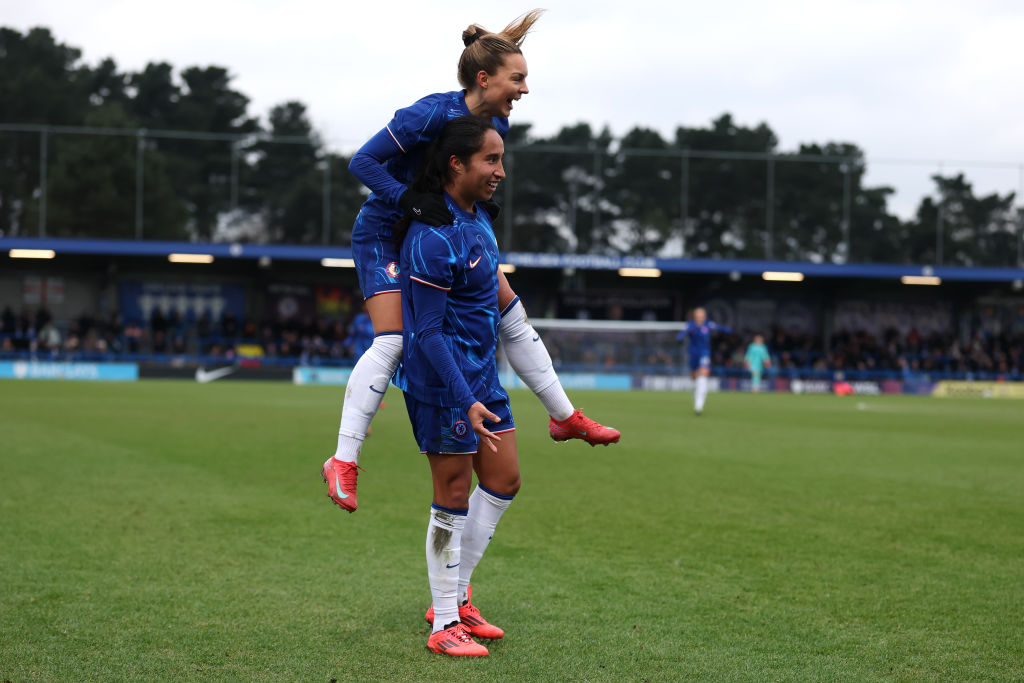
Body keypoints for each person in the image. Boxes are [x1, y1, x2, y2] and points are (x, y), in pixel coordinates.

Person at [322, 10, 619, 514]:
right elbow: (362, 162)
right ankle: (343, 459)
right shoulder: (429, 114)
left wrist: (473, 212)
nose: (524, 90)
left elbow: (469, 174)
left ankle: (564, 416)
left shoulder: (496, 122)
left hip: (443, 229)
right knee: (394, 340)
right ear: (485, 78)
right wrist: (409, 201)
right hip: (385, 232)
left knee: (510, 310)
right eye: (517, 79)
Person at [394, 116, 518, 656]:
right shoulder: (429, 238)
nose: (500, 171)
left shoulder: (480, 221)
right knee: (453, 495)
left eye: (500, 159)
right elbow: (425, 330)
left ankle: (457, 595)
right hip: (444, 384)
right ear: (456, 164)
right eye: (490, 160)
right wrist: (463, 396)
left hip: (482, 377)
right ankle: (444, 622)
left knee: (506, 478)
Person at [676, 307, 732, 415]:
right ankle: (697, 394)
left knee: (703, 375)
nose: (700, 318)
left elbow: (720, 327)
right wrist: (679, 338)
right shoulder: (691, 325)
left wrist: (729, 330)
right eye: (698, 315)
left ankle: (699, 405)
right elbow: (682, 333)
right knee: (694, 378)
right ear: (695, 316)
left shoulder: (708, 324)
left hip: (704, 354)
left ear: (704, 316)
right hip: (693, 355)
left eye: (702, 315)